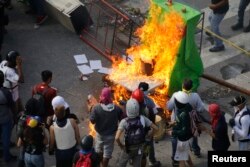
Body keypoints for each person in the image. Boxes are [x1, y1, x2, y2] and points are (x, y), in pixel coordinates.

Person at [167, 79, 206, 166]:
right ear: (191, 87)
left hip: (180, 128)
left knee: (176, 143)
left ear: (182, 86)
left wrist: (173, 131)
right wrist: (194, 111)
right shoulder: (195, 96)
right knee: (193, 134)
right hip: (191, 123)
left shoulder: (176, 95)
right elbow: (201, 108)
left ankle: (174, 158)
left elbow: (169, 107)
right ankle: (196, 150)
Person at [115, 98, 158, 167]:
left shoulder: (124, 121)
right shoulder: (143, 118)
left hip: (127, 148)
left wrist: (121, 145)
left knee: (121, 164)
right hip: (139, 148)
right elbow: (156, 128)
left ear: (127, 109)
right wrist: (149, 135)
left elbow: (117, 137)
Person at [90, 87, 123, 167]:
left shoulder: (96, 108)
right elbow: (122, 119)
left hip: (99, 134)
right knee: (107, 153)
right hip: (111, 135)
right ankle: (104, 165)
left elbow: (92, 121)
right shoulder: (116, 108)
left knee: (99, 150)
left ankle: (101, 163)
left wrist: (92, 111)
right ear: (110, 97)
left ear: (102, 96)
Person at [138, 82, 161, 167]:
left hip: (137, 129)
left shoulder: (132, 100)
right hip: (148, 129)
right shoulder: (150, 101)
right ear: (147, 91)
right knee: (149, 145)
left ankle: (136, 160)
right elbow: (155, 113)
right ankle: (152, 161)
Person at [169, 91, 194, 167]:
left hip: (184, 139)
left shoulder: (184, 114)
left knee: (181, 160)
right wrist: (174, 122)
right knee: (184, 154)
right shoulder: (186, 107)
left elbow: (184, 131)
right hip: (187, 138)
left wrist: (173, 132)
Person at [16, 98, 42, 167]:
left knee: (22, 157)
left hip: (23, 139)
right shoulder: (32, 119)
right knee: (22, 157)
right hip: (28, 142)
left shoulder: (22, 116)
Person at [0, 51, 24, 121]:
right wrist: (19, 65)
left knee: (22, 110)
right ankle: (13, 124)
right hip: (12, 94)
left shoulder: (3, 63)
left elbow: (12, 66)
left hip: (9, 89)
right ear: (14, 62)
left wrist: (16, 64)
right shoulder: (10, 72)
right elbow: (21, 80)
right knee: (15, 114)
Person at [0, 70, 16, 162]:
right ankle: (7, 157)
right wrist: (15, 116)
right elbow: (12, 106)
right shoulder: (5, 92)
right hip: (5, 119)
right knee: (6, 139)